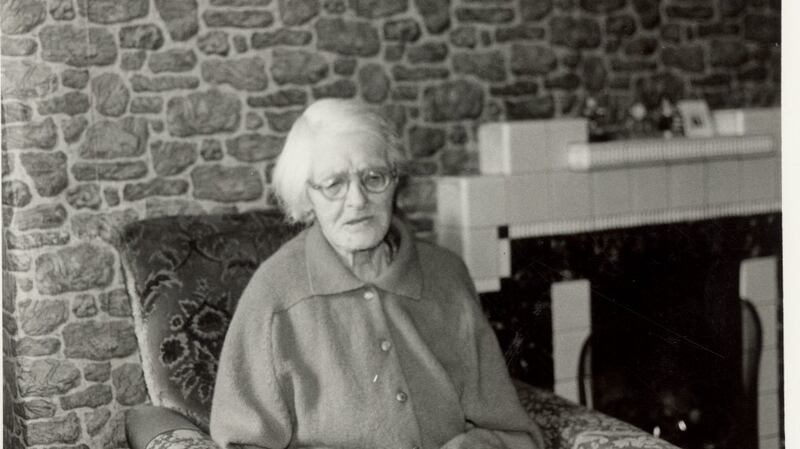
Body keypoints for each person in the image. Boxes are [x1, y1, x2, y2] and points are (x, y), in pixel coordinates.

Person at [209, 99, 544, 449]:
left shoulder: (446, 275)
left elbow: (514, 433)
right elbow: (242, 443)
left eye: (374, 178)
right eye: (333, 184)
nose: (357, 200)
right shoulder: (274, 294)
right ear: (306, 197)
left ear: (395, 182)